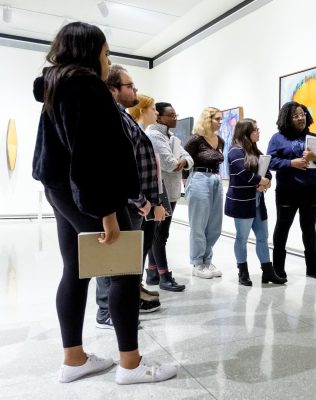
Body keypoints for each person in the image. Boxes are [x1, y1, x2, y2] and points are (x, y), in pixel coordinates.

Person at [32, 21, 176, 384]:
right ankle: (131, 365)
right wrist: (107, 214)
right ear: (88, 51)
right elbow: (90, 156)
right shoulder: (85, 86)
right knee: (125, 271)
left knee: (76, 270)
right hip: (88, 196)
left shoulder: (55, 85)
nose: (107, 60)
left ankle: (74, 359)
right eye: (105, 52)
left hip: (62, 192)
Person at [95, 67, 164, 328]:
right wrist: (142, 202)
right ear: (113, 89)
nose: (135, 90)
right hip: (128, 203)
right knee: (113, 263)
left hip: (135, 204)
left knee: (123, 262)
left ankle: (116, 309)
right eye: (130, 86)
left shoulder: (123, 117)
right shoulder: (113, 118)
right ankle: (106, 313)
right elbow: (121, 168)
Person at [267, 101, 316, 280]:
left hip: (311, 191)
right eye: (295, 116)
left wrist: (315, 157)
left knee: (309, 230)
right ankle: (278, 268)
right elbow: (270, 162)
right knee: (282, 228)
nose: (300, 118)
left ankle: (312, 268)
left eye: (302, 114)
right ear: (287, 118)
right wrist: (291, 163)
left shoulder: (315, 138)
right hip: (287, 192)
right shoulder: (277, 138)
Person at [224, 118, 286, 286]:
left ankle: (268, 272)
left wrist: (266, 181)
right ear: (246, 132)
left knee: (263, 237)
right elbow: (245, 174)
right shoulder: (235, 151)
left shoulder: (254, 150)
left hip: (257, 201)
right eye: (255, 130)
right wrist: (262, 181)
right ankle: (243, 272)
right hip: (242, 202)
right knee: (242, 238)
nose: (259, 132)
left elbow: (268, 171)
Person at [144, 101, 193, 291]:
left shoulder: (172, 137)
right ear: (160, 117)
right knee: (159, 235)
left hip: (170, 191)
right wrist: (180, 162)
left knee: (158, 233)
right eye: (171, 115)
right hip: (160, 191)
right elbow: (169, 163)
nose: (175, 118)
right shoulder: (154, 136)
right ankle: (164, 276)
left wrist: (182, 161)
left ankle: (153, 272)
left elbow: (188, 158)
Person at [184, 107, 225, 279]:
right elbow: (183, 161)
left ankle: (207, 260)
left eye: (221, 119)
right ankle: (197, 262)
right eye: (217, 119)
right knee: (199, 224)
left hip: (216, 179)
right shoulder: (195, 140)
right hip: (199, 178)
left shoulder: (220, 140)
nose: (220, 122)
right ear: (207, 120)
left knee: (215, 225)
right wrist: (187, 182)